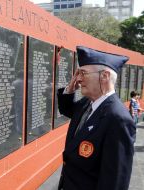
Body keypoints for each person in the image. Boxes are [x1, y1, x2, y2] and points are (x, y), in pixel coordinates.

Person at [57, 46, 136, 190]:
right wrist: (69, 89)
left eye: (83, 73)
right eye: (78, 73)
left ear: (104, 76)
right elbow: (67, 110)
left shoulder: (118, 119)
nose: (79, 79)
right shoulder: (87, 103)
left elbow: (115, 180)